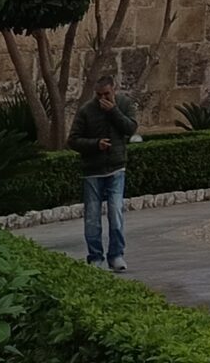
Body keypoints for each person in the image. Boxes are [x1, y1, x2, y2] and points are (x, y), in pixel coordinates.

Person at [70, 73, 138, 270]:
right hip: (93, 171)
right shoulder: (86, 110)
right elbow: (73, 140)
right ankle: (95, 257)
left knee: (116, 214)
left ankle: (116, 255)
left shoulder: (124, 104)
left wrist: (114, 111)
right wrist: (95, 144)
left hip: (116, 168)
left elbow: (130, 128)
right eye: (99, 95)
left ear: (114, 89)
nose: (103, 99)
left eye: (106, 94)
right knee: (92, 218)